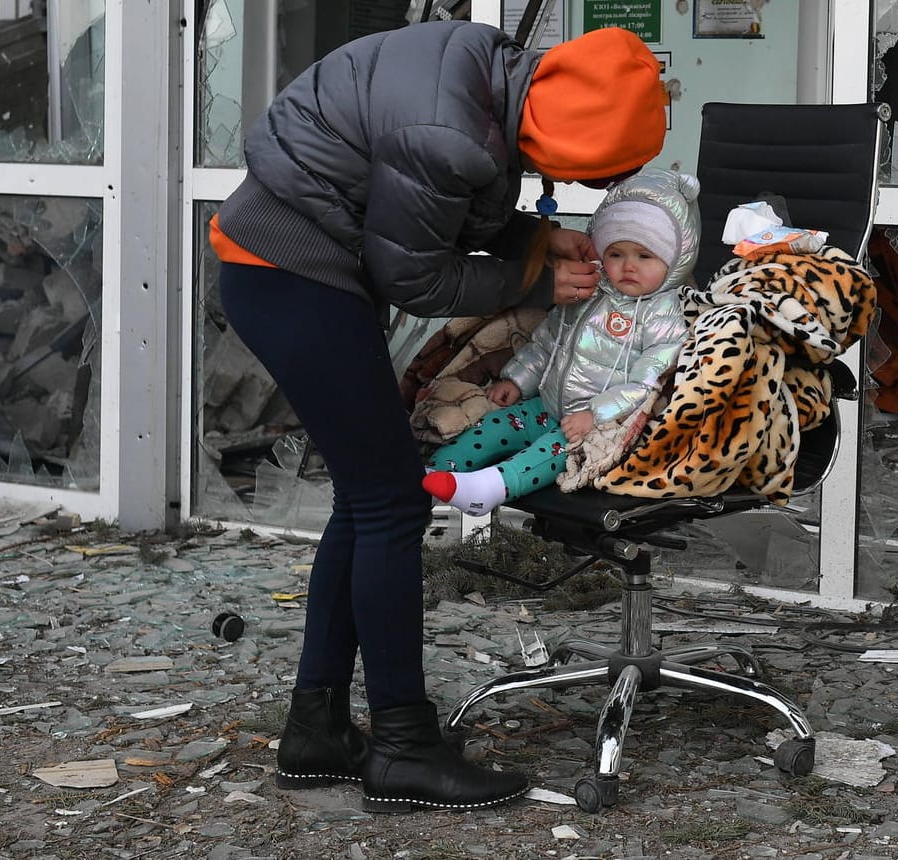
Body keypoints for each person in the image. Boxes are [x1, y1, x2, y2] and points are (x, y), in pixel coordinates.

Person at [208, 20, 667, 814]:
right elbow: (415, 274)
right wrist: (530, 281)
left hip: (286, 263)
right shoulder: (454, 132)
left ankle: (316, 731)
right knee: (390, 501)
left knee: (366, 498)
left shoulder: (485, 66)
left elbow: (434, 207)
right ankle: (403, 749)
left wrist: (533, 238)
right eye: (585, 176)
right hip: (290, 272)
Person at [421, 169, 699, 515]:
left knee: (546, 455)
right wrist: (517, 380)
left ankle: (487, 488)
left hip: (597, 426)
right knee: (495, 424)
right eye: (616, 254)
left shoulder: (663, 315)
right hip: (548, 405)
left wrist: (595, 415)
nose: (628, 266)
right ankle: (437, 472)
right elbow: (548, 341)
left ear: (673, 260)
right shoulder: (589, 289)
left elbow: (647, 384)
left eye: (644, 256)